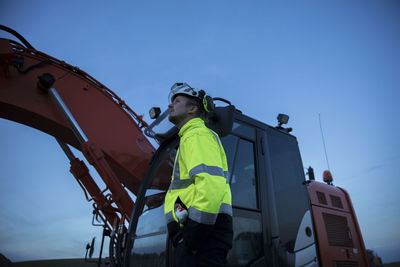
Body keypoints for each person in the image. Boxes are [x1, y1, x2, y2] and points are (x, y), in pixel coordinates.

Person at [164, 83, 233, 267]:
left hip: (201, 239)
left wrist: (193, 233)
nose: (170, 105)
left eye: (177, 101)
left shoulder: (197, 135)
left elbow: (210, 184)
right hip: (198, 237)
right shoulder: (189, 137)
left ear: (193, 108)